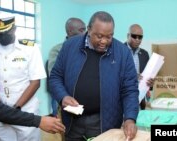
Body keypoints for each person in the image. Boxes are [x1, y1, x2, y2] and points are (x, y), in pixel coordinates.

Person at [49, 11, 139, 141]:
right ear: (89, 30)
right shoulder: (70, 46)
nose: (104, 41)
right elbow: (55, 77)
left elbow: (130, 89)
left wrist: (130, 118)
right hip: (72, 121)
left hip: (105, 122)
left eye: (109, 37)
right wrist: (63, 97)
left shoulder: (123, 53)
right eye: (99, 36)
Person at [0, 14, 47, 141]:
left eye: (5, 32)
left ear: (14, 29)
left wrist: (16, 108)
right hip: (0, 112)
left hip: (26, 110)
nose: (1, 37)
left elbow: (35, 82)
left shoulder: (29, 49)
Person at [47, 17, 86, 116]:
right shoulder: (57, 50)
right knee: (68, 127)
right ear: (70, 31)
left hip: (86, 98)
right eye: (81, 30)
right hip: (68, 98)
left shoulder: (87, 47)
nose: (85, 32)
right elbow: (55, 76)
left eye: (85, 29)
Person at [124, 24, 154, 110]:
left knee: (139, 121)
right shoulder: (119, 51)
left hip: (141, 97)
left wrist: (150, 83)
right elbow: (114, 75)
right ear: (128, 35)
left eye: (140, 37)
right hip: (124, 96)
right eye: (134, 36)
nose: (137, 40)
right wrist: (132, 75)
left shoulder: (144, 54)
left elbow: (148, 76)